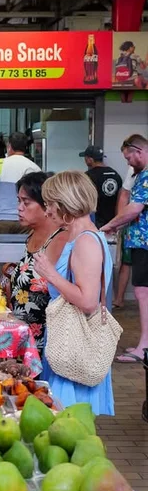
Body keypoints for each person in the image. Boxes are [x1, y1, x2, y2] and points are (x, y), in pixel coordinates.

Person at [34, 171, 114, 416]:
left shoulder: (85, 242)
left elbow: (88, 301)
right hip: (70, 343)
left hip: (73, 347)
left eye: (50, 204)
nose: (47, 211)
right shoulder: (84, 237)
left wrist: (51, 274)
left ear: (66, 204)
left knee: (69, 424)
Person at [4, 172, 67, 353]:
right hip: (24, 339)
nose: (19, 208)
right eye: (19, 201)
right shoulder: (32, 235)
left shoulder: (60, 240)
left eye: (26, 202)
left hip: (45, 343)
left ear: (46, 205)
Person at [102, 135, 148, 363]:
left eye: (129, 158)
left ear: (139, 151)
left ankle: (144, 347)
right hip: (140, 242)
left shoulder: (147, 176)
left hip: (144, 243)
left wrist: (110, 225)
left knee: (143, 293)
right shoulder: (141, 175)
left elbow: (135, 208)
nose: (128, 163)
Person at [0, 132, 40, 233]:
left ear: (9, 146)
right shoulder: (34, 167)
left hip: (0, 219)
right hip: (25, 220)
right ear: (25, 147)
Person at [79, 145, 122, 229]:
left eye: (85, 158)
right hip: (113, 221)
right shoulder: (115, 174)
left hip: (95, 221)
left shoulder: (88, 176)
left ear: (90, 160)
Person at [113, 166, 137, 309]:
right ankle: (119, 298)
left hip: (136, 224)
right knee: (126, 262)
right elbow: (124, 194)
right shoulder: (134, 168)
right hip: (134, 225)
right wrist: (119, 222)